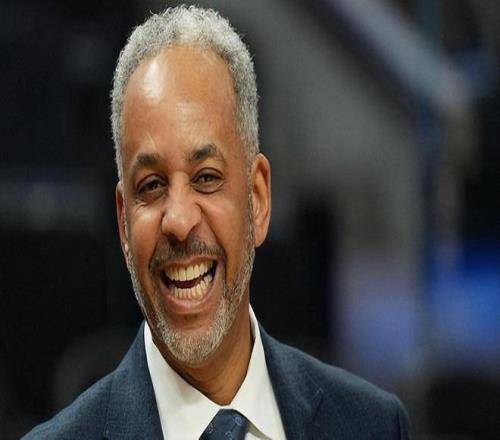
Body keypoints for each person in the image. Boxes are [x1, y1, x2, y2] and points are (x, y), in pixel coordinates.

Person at [23, 5, 410, 439]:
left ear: (258, 199)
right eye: (151, 185)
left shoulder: (374, 425)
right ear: (124, 224)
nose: (179, 220)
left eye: (206, 178)